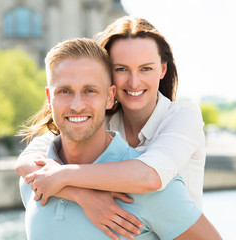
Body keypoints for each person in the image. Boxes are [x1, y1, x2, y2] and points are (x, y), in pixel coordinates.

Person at [16, 16, 206, 239]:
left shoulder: (182, 118)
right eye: (122, 68)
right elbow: (28, 160)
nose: (134, 82)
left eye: (145, 68)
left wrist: (64, 174)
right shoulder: (96, 119)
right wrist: (81, 196)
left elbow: (149, 177)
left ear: (162, 70)